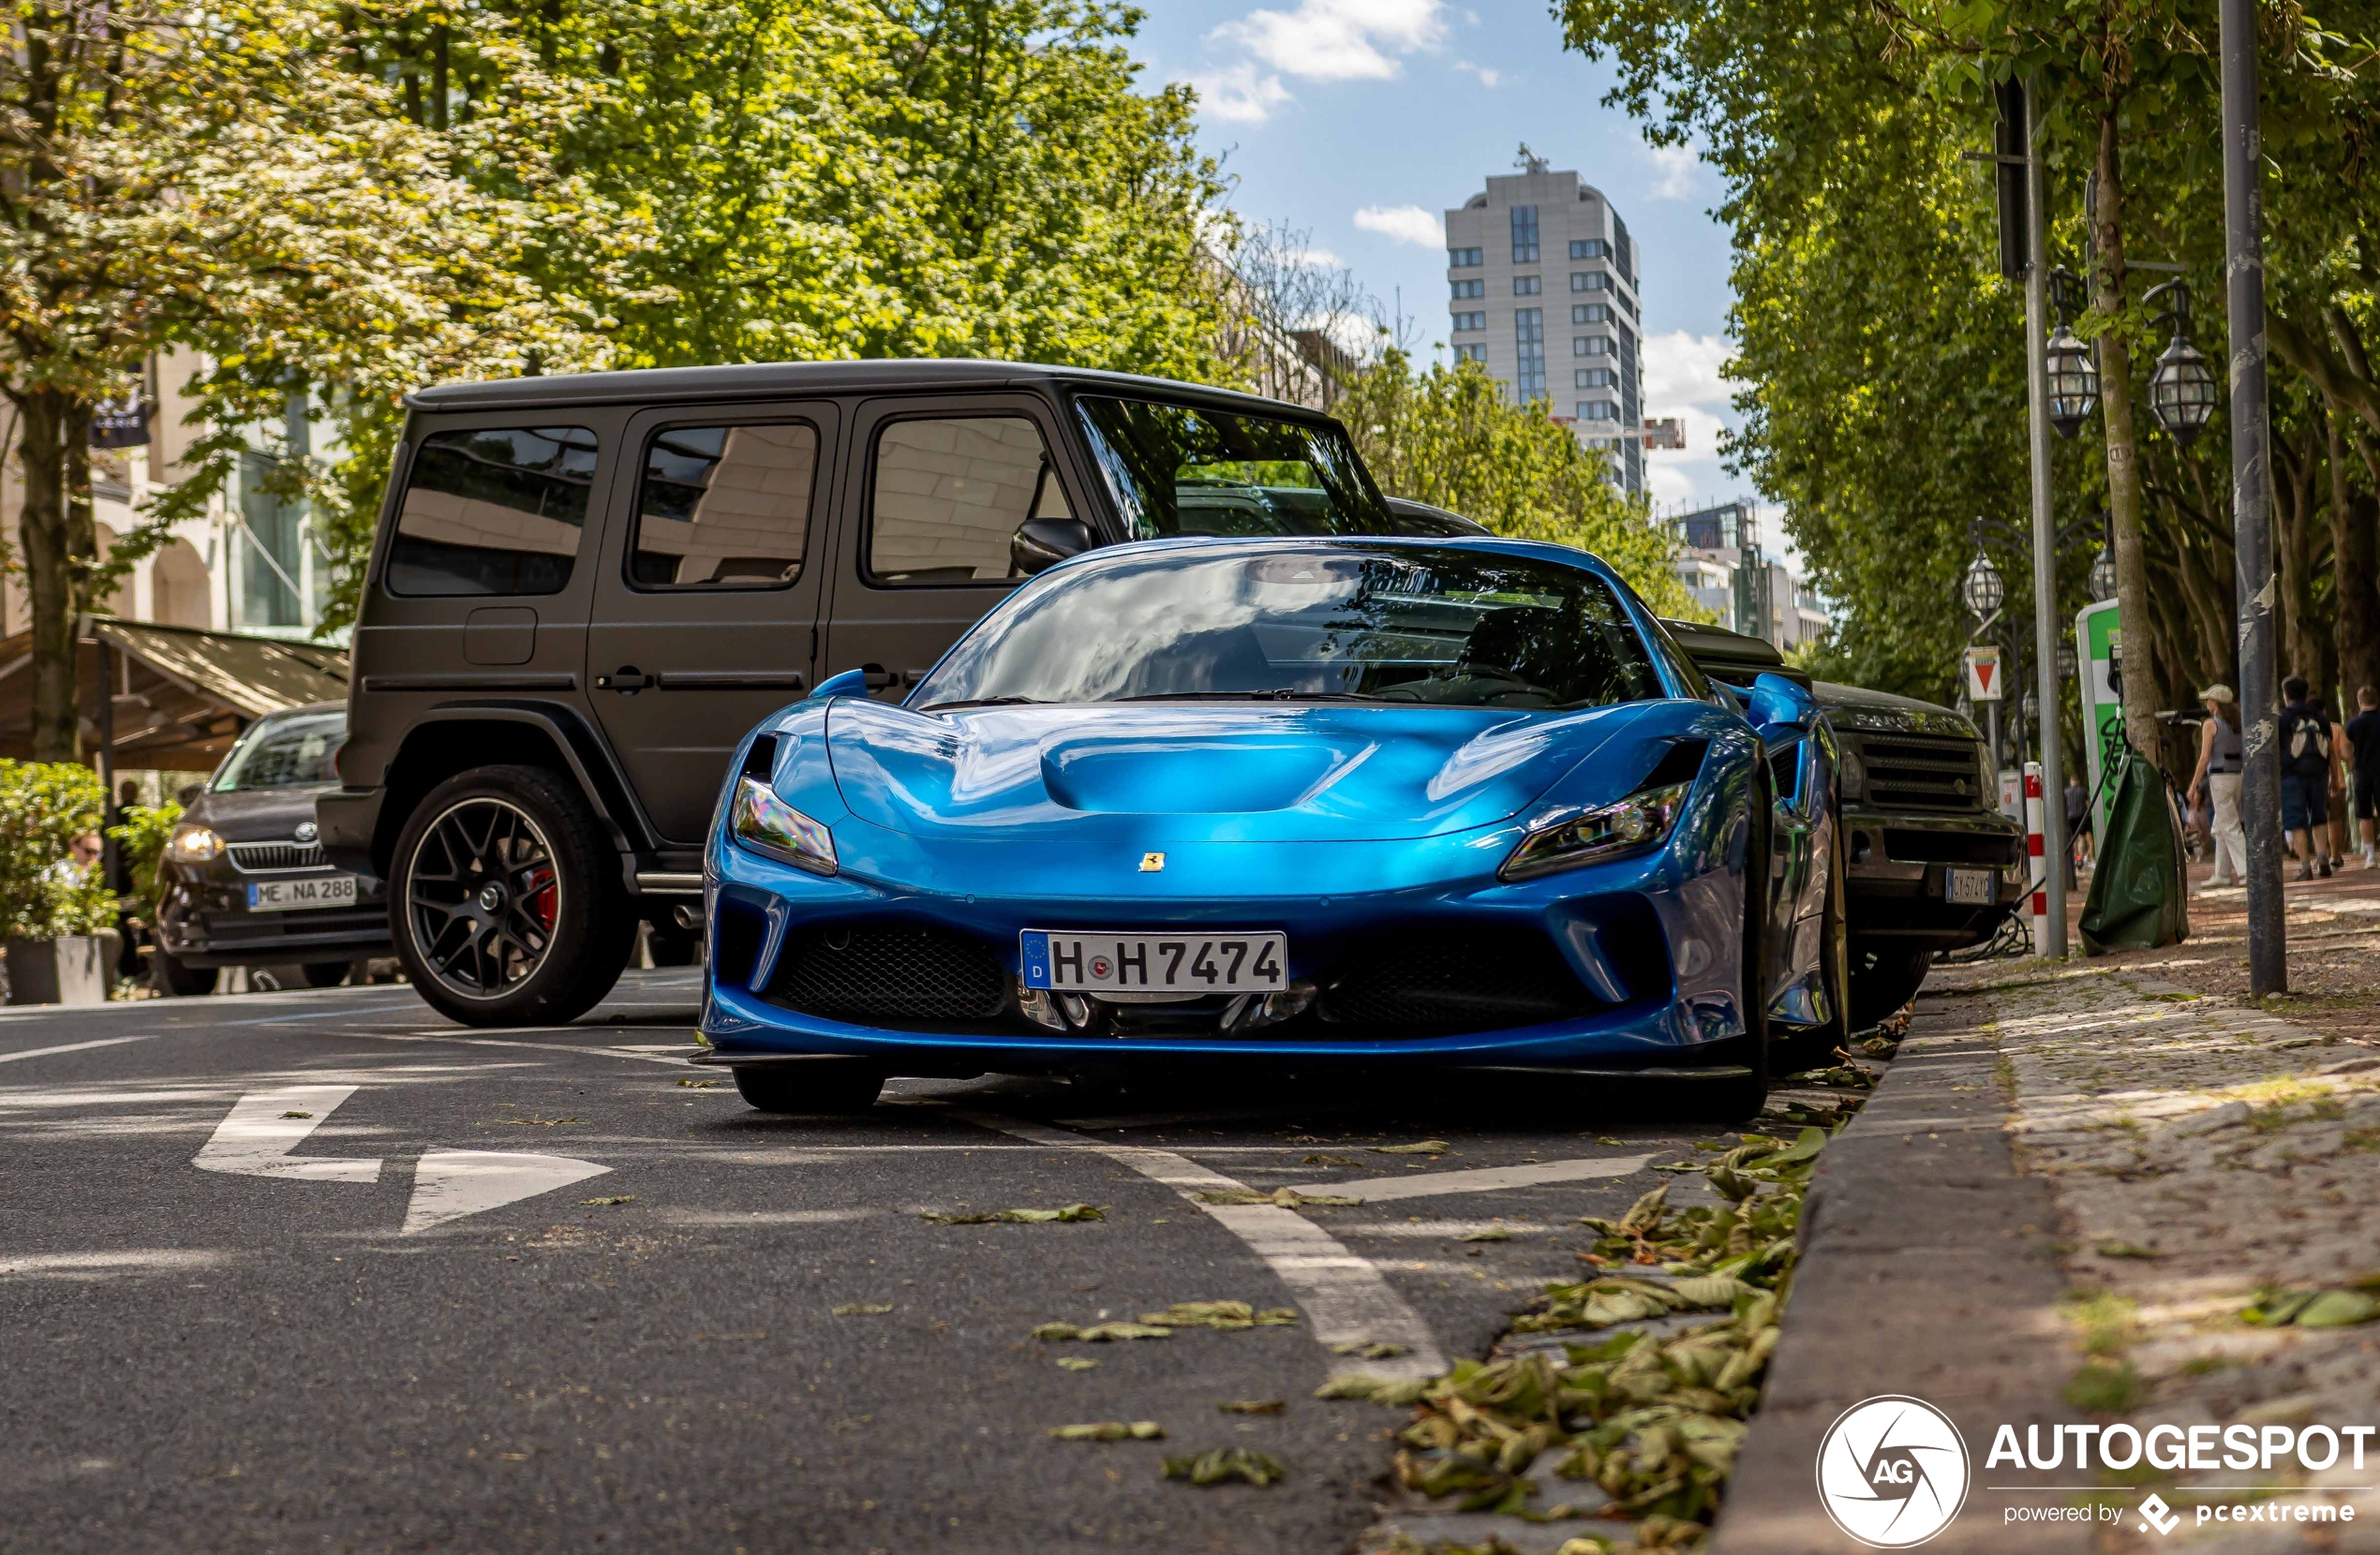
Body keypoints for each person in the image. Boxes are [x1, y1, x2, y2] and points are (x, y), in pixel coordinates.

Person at [2277, 674, 2340, 881]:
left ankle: (2305, 866)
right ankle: (2322, 857)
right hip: (2319, 774)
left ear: (2286, 695)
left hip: (2291, 775)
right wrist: (2335, 777)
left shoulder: (2283, 718)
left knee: (2296, 821)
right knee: (2319, 816)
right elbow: (2330, 750)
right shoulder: (2320, 718)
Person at [2187, 684, 2248, 887]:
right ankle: (2221, 874)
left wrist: (2194, 785)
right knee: (2221, 826)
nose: (2206, 703)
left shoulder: (2210, 724)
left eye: (2208, 700)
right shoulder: (2238, 723)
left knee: (2230, 825)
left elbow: (2204, 758)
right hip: (2237, 776)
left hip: (2220, 778)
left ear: (2215, 703)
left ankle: (2246, 870)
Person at [2347, 684, 2380, 869]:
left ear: (2360, 702)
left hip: (2361, 771)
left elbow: (2347, 748)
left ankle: (2370, 855)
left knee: (2364, 814)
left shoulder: (2353, 724)